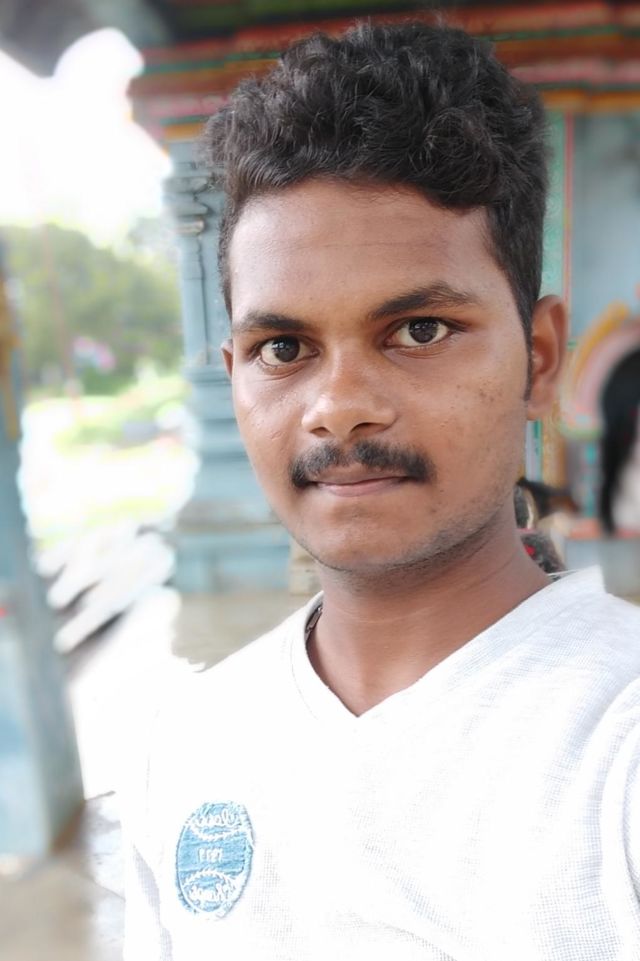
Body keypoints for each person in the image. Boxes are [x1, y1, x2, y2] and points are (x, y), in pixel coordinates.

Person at [122, 21, 640, 960]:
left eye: (419, 330)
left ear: (538, 358)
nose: (339, 408)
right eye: (284, 347)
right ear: (233, 374)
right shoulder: (188, 743)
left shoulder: (617, 738)